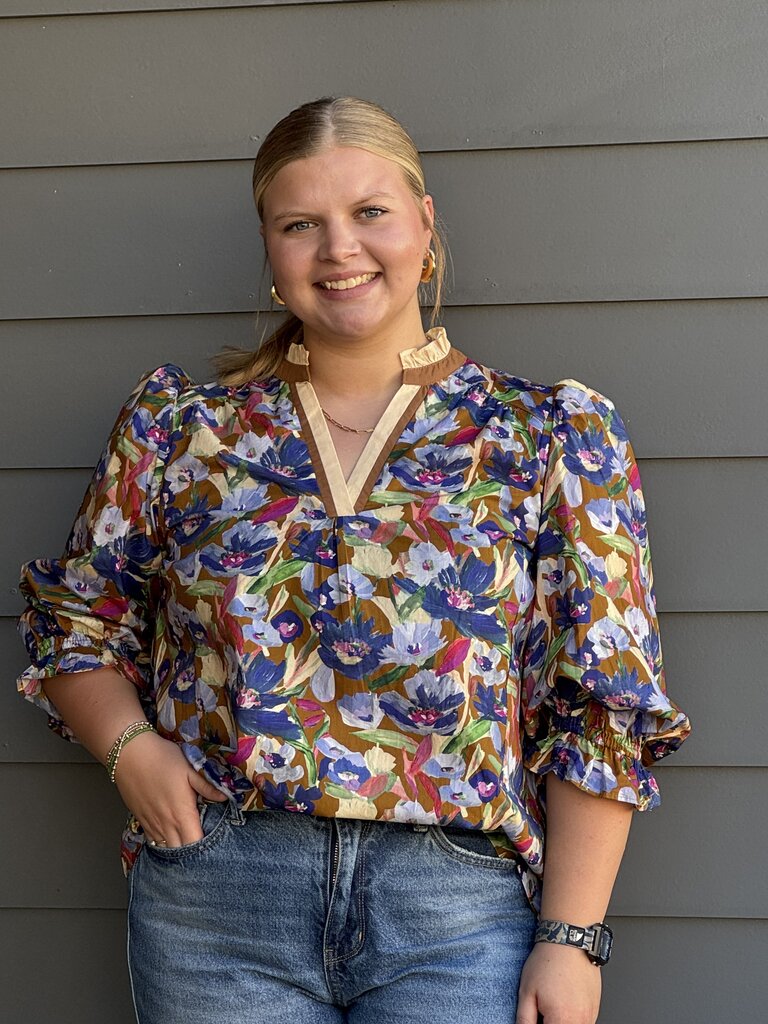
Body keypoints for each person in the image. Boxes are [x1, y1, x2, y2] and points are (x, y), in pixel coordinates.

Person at [15, 96, 691, 1024]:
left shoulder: (549, 436)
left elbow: (604, 698)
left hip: (457, 910)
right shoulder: (181, 431)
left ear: (425, 224)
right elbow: (75, 620)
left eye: (370, 211)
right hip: (219, 898)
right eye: (302, 224)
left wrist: (571, 939)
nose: (339, 249)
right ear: (271, 246)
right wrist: (131, 750)